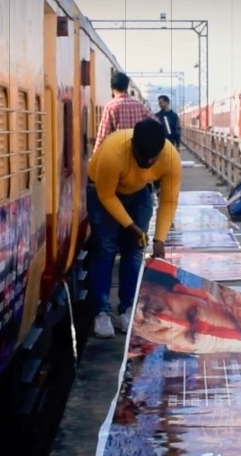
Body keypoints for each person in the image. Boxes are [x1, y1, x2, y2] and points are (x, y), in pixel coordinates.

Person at [87, 118, 182, 339]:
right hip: (102, 190)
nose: (148, 161)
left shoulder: (170, 158)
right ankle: (101, 312)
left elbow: (168, 200)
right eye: (143, 158)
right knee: (105, 248)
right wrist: (130, 225)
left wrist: (159, 239)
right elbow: (106, 195)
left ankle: (128, 308)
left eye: (153, 158)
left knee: (135, 250)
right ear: (133, 147)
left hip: (138, 191)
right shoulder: (114, 152)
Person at [94, 71, 156, 151]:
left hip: (118, 154)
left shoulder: (110, 107)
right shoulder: (140, 106)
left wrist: (94, 157)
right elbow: (156, 124)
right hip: (138, 156)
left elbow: (102, 136)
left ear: (112, 88)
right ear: (127, 87)